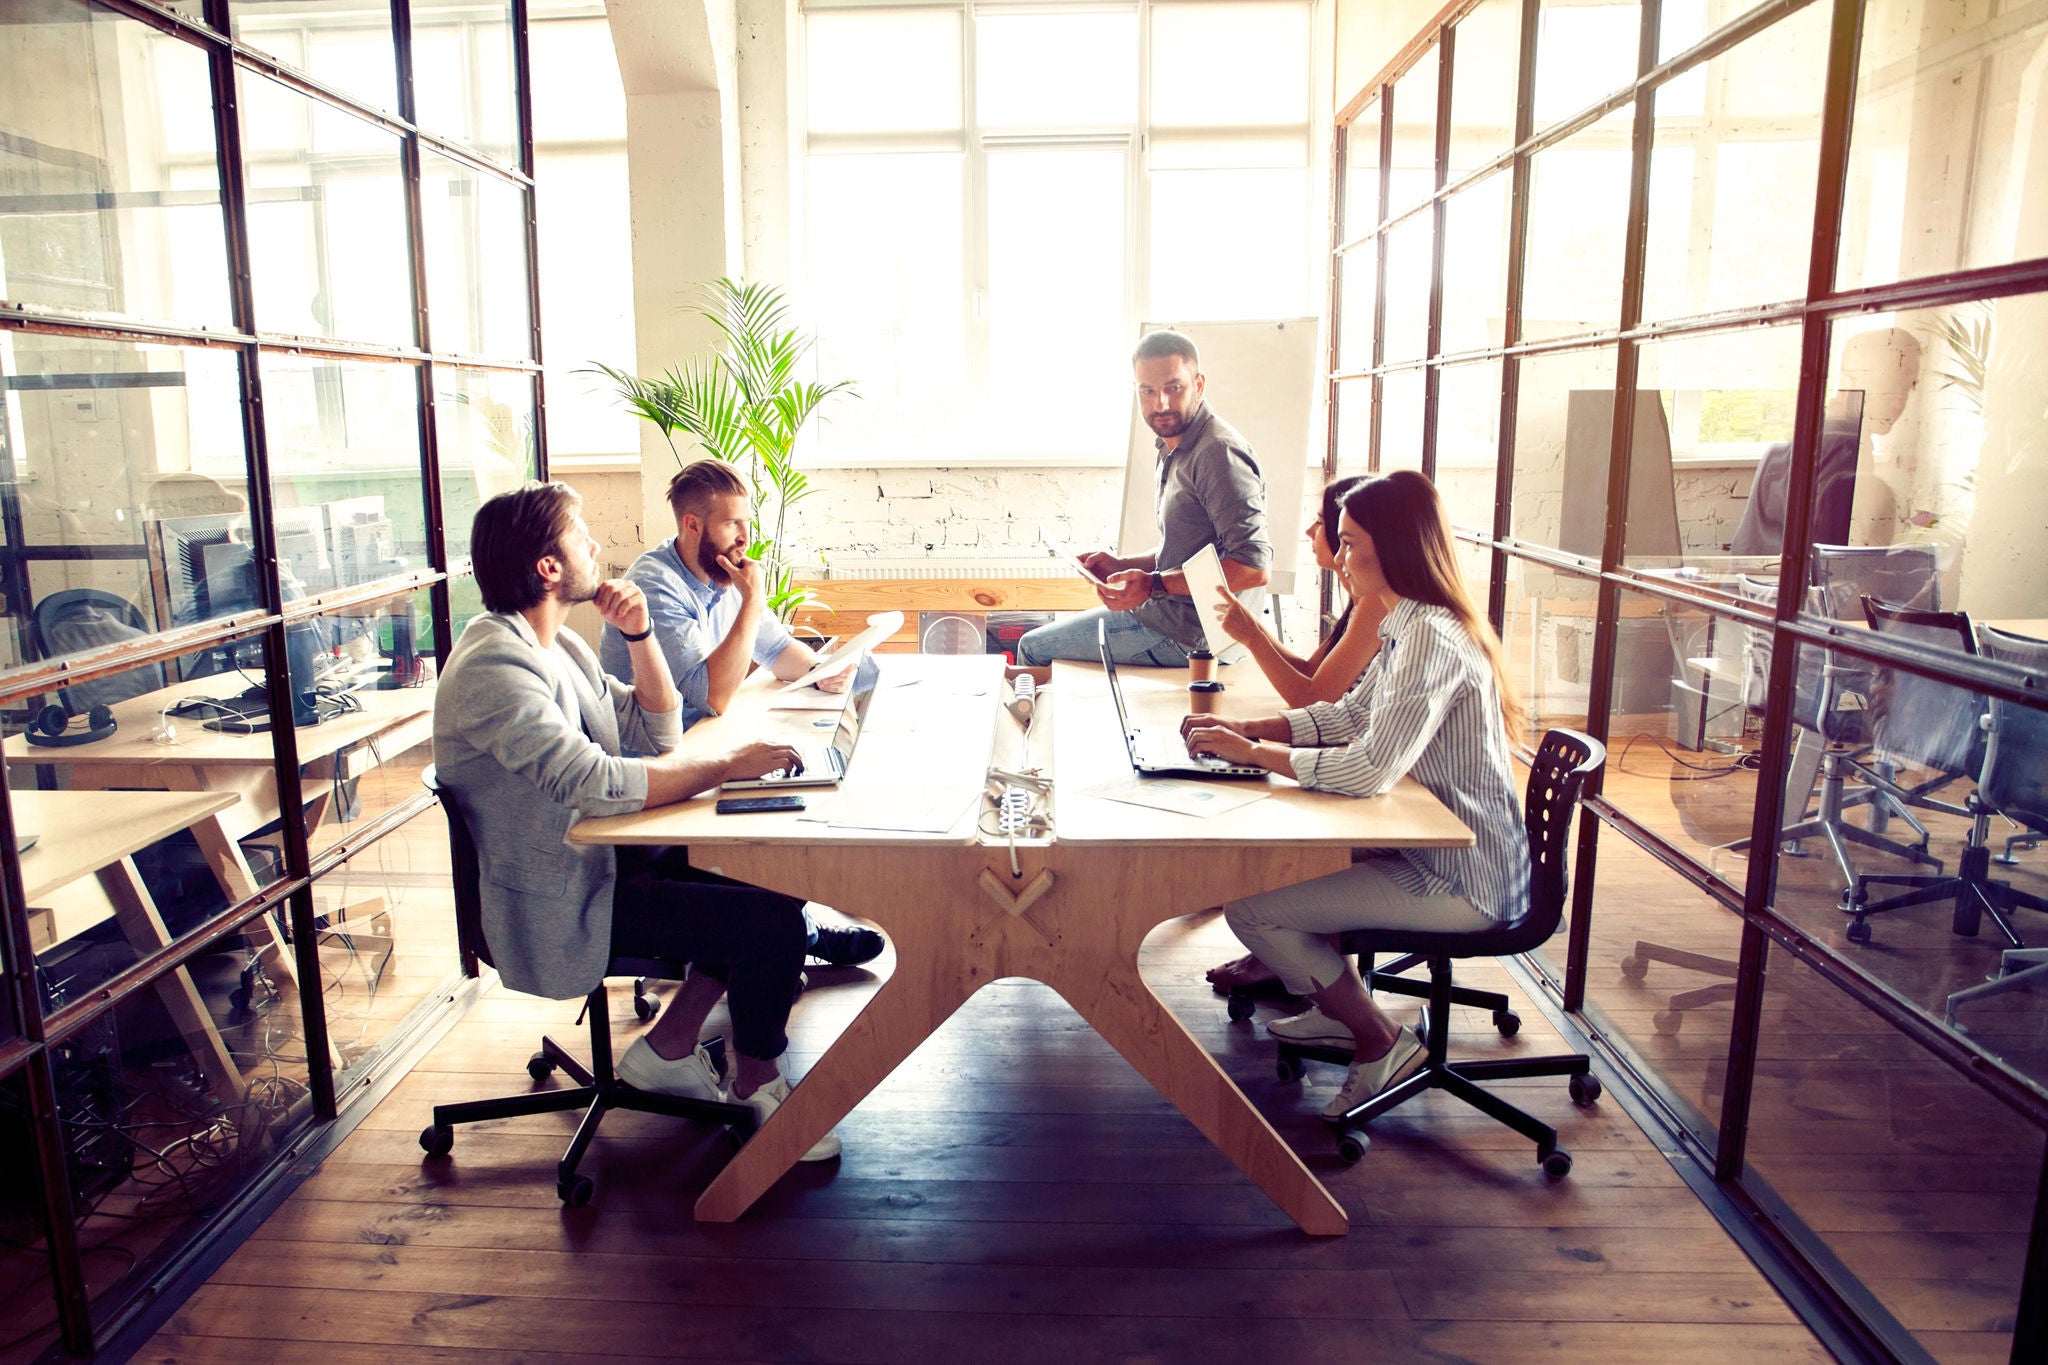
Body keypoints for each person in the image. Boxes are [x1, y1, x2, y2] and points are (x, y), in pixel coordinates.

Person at [434, 481, 842, 1161]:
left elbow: (652, 733)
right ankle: (757, 1086)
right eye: (580, 534)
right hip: (563, 897)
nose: (597, 544)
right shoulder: (495, 666)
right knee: (767, 924)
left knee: (765, 871)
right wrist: (724, 766)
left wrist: (640, 634)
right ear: (548, 566)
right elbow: (593, 782)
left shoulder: (554, 645)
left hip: (604, 861)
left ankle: (668, 1050)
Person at [1181, 470, 1531, 1119]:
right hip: (1436, 851)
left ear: (1393, 544)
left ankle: (1375, 1037)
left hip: (1465, 879)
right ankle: (1336, 1011)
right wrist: (1246, 729)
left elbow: (1369, 767)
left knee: (1254, 912)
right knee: (1289, 880)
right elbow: (1346, 717)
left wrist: (1256, 755)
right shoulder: (1410, 621)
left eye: (1348, 543)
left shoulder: (1429, 636)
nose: (1338, 560)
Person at [599, 459, 883, 970]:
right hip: (659, 771)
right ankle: (794, 936)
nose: (745, 537)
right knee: (782, 811)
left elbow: (777, 648)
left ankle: (794, 932)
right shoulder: (657, 585)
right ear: (692, 524)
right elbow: (712, 696)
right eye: (732, 523)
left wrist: (821, 670)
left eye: (746, 522)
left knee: (797, 781)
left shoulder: (721, 573)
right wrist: (751, 602)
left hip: (705, 746)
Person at [1199, 474, 1386, 995]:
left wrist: (1254, 743)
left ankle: (1299, 969)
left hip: (1419, 829)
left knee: (1275, 835)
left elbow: (1313, 698)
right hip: (1386, 788)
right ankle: (1297, 966)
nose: (1309, 530)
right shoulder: (1370, 603)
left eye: (1329, 527)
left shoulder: (1384, 608)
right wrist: (1247, 731)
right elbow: (1334, 698)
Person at [1014, 330, 1271, 671]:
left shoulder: (1217, 453)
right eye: (1147, 391)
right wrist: (1122, 564)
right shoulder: (1173, 444)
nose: (1160, 404)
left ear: (1199, 383)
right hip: (1175, 619)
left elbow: (1253, 568)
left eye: (1173, 388)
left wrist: (1153, 585)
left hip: (1198, 637)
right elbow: (1187, 551)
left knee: (1033, 647)